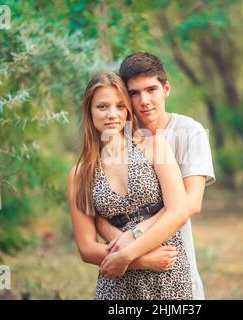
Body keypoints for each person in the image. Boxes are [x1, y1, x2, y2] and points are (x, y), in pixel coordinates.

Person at [95, 52, 215, 300]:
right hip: (125, 274)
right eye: (134, 93)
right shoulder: (117, 134)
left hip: (172, 262)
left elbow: (190, 203)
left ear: (166, 89)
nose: (144, 100)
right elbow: (99, 209)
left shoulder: (189, 132)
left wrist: (135, 235)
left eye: (151, 89)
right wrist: (123, 246)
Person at [67, 71, 194, 299]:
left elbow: (178, 212)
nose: (112, 115)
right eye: (102, 107)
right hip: (117, 280)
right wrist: (141, 261)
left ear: (127, 110)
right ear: (89, 111)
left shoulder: (155, 147)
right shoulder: (80, 173)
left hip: (166, 274)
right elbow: (86, 248)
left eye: (120, 106)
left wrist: (127, 254)